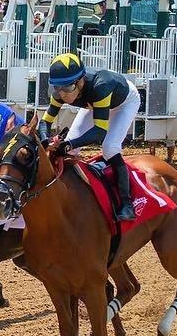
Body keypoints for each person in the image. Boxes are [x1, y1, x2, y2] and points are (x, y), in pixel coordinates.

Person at [39, 52, 141, 221]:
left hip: (124, 102)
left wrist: (67, 144)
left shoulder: (101, 86)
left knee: (110, 148)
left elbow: (99, 131)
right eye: (57, 88)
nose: (62, 94)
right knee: (70, 150)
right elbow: (45, 122)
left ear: (80, 81)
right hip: (92, 104)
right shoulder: (60, 90)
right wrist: (45, 140)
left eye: (67, 88)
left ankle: (126, 202)